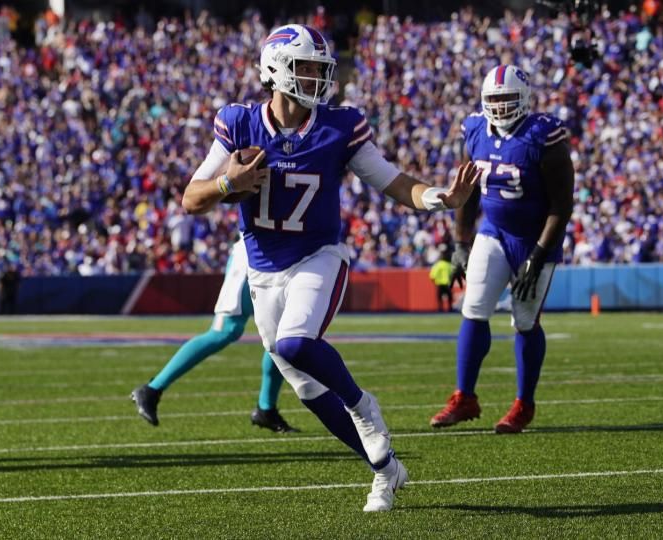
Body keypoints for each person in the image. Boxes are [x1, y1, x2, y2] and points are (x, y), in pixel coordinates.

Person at [179, 24, 480, 511]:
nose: (318, 78)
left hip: (319, 257)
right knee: (301, 384)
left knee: (296, 343)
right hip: (262, 268)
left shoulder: (340, 125)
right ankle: (386, 471)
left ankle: (364, 406)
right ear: (276, 70)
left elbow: (393, 182)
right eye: (308, 68)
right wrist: (225, 185)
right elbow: (191, 198)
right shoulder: (238, 123)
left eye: (322, 69)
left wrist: (441, 198)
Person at [429, 65, 574, 434]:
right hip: (493, 231)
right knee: (473, 308)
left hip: (534, 239)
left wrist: (537, 257)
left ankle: (524, 403)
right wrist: (460, 242)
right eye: (493, 99)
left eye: (507, 100)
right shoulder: (475, 129)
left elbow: (562, 205)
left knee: (524, 320)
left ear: (524, 99)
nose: (500, 107)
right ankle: (465, 397)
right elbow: (469, 190)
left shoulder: (545, 135)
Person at [131, 237, 296, 433]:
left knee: (279, 336)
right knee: (225, 330)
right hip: (255, 253)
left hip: (287, 259)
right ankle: (152, 389)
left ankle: (266, 409)